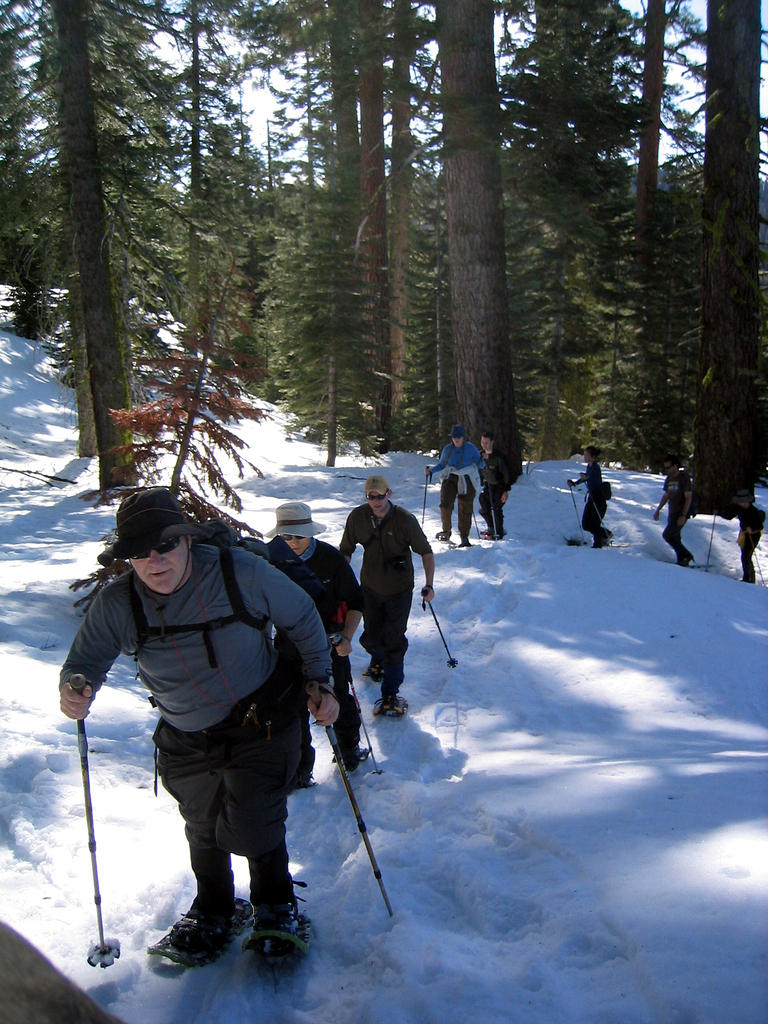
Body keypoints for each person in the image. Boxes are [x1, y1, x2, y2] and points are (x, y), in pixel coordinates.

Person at [59, 488, 338, 962]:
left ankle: (276, 905)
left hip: (261, 718)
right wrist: (75, 688)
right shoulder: (119, 604)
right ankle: (215, 909)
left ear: (187, 541)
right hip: (184, 731)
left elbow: (302, 617)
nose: (154, 561)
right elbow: (85, 659)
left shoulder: (239, 573)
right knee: (202, 824)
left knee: (254, 815)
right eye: (139, 553)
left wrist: (319, 680)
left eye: (165, 546)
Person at [266, 501, 368, 781]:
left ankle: (348, 749)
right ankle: (300, 766)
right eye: (286, 537)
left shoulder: (330, 559)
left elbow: (355, 601)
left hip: (331, 644)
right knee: (293, 706)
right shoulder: (270, 563)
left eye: (300, 535)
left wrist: (347, 637)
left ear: (311, 533)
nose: (294, 543)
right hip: (288, 647)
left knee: (340, 698)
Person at [339, 475, 435, 717]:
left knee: (394, 639)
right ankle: (378, 659)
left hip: (399, 590)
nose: (376, 501)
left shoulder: (404, 520)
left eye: (380, 496)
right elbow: (346, 551)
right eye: (371, 497)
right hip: (370, 587)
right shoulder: (358, 517)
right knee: (371, 635)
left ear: (388, 494)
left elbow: (425, 551)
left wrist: (429, 584)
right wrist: (339, 578)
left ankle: (390, 692)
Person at [425, 424, 484, 547]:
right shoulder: (447, 449)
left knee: (465, 507)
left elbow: (480, 464)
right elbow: (441, 465)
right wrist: (431, 471)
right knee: (445, 505)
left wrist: (483, 461)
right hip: (451, 476)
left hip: (467, 477)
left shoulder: (471, 449)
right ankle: (446, 531)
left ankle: (464, 537)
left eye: (459, 437)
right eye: (454, 437)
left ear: (463, 437)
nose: (456, 439)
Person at [653, 454, 695, 566]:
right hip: (672, 511)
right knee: (675, 536)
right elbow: (666, 495)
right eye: (665, 468)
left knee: (668, 535)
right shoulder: (669, 479)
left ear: (675, 466)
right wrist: (658, 510)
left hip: (681, 512)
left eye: (668, 467)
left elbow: (688, 497)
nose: (667, 470)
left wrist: (683, 515)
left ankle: (686, 555)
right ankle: (682, 559)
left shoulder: (683, 478)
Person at [567, 445, 611, 548]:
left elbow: (594, 480)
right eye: (584, 454)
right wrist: (574, 483)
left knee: (594, 523)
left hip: (598, 498)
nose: (584, 457)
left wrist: (586, 477)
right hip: (592, 497)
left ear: (592, 457)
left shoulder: (596, 467)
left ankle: (598, 544)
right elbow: (586, 478)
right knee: (586, 524)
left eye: (586, 455)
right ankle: (606, 534)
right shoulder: (589, 466)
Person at [718, 489, 765, 583]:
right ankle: (748, 577)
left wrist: (752, 530)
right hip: (744, 534)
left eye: (745, 502)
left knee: (746, 556)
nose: (743, 504)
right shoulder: (739, 508)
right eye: (741, 502)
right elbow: (729, 515)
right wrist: (719, 513)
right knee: (745, 556)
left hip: (754, 536)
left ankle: (749, 579)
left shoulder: (754, 511)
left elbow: (760, 526)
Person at [478, 430, 511, 540]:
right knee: (484, 505)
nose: (484, 445)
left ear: (492, 442)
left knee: (496, 508)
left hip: (499, 486)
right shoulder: (480, 455)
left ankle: (499, 531)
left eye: (486, 442)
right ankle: (491, 527)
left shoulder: (499, 457)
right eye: (482, 442)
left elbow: (506, 474)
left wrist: (506, 490)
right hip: (488, 486)